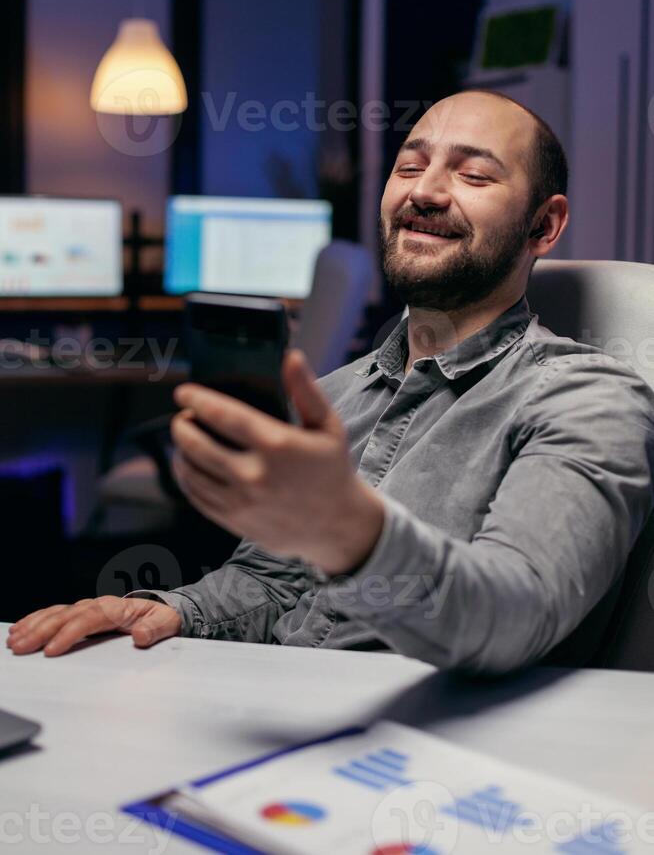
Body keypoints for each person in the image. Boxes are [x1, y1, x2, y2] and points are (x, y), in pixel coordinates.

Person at [8, 91, 654, 673]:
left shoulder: (587, 398)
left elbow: (516, 615)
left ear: (544, 225)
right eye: (409, 166)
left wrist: (351, 532)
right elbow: (274, 584)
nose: (423, 192)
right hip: (289, 713)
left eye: (473, 173)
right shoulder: (337, 393)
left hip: (443, 760)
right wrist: (170, 611)